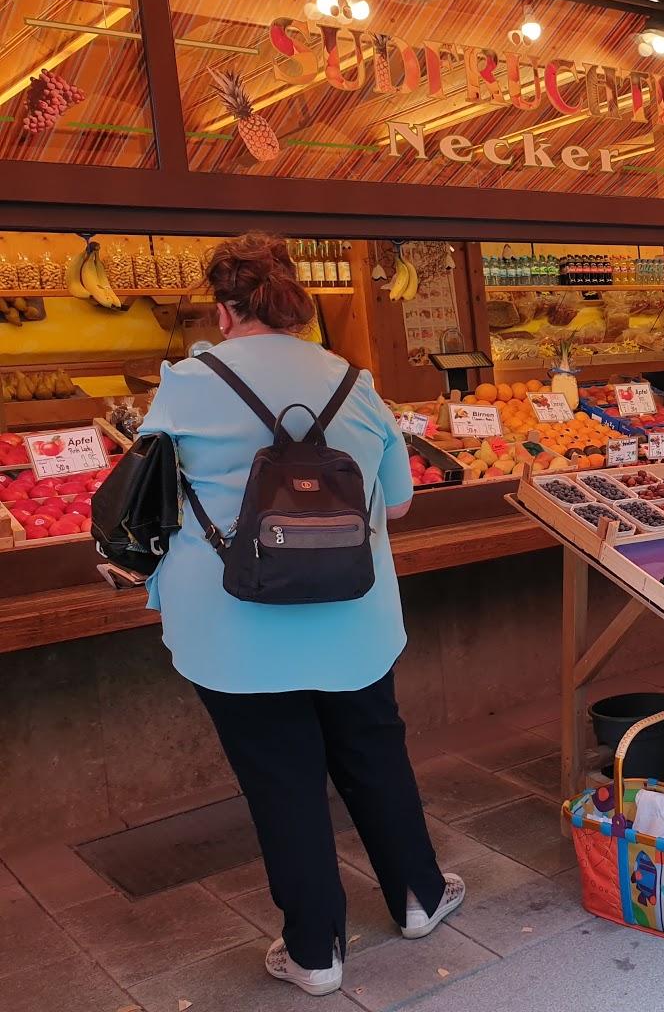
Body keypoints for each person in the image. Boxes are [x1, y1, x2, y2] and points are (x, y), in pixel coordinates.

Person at [139, 233, 464, 997]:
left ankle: (315, 953)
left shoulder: (183, 384)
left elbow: (146, 498)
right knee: (374, 755)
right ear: (296, 303)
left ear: (224, 310)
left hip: (232, 624)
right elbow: (400, 499)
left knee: (281, 781)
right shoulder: (355, 380)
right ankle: (418, 897)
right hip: (353, 617)